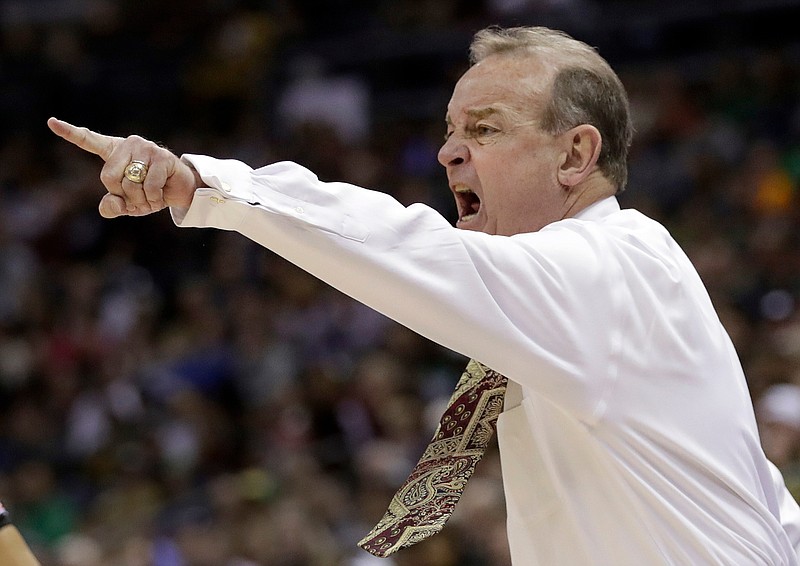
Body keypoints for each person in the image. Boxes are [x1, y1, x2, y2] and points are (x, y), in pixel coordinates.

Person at [48, 25, 800, 565]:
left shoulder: (609, 264)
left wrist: (208, 185)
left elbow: (411, 246)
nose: (448, 151)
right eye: (449, 128)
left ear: (576, 153)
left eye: (485, 127)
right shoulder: (617, 281)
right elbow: (758, 495)